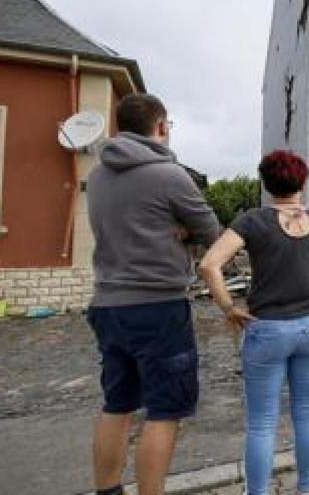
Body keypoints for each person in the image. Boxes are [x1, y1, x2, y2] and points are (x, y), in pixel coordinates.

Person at [86, 93, 221, 495]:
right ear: (161, 126)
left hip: (107, 305)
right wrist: (184, 232)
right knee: (164, 411)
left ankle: (107, 491)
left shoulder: (97, 176)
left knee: (117, 404)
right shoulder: (169, 175)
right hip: (157, 307)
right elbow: (211, 231)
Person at [199, 150, 309, 495]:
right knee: (308, 413)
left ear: (265, 182)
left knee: (261, 424)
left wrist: (229, 307)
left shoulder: (252, 221)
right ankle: (307, 490)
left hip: (268, 329)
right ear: (303, 180)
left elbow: (209, 264)